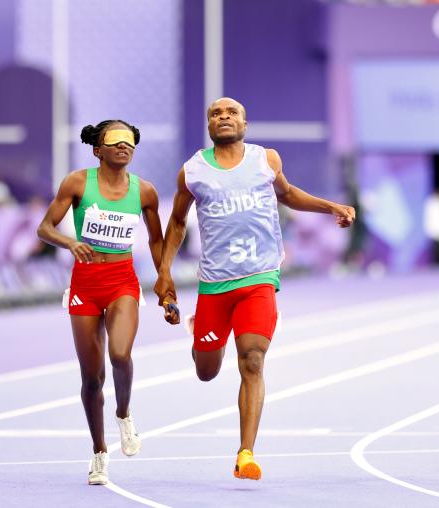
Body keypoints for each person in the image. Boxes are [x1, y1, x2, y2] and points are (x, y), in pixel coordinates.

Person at [154, 98, 355, 481]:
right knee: (206, 371)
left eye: (231, 113)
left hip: (258, 278)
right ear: (209, 125)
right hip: (214, 284)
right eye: (215, 113)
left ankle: (246, 453)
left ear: (245, 123)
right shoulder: (192, 171)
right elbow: (177, 222)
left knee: (253, 360)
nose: (223, 117)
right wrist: (164, 271)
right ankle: (200, 334)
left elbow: (288, 194)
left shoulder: (266, 160)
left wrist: (331, 207)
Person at [37, 119, 172, 485]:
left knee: (120, 355)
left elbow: (157, 241)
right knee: (92, 378)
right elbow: (45, 228)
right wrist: (70, 242)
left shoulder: (144, 191)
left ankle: (124, 414)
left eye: (129, 141)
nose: (123, 146)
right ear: (98, 149)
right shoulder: (78, 183)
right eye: (114, 140)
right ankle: (99, 452)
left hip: (121, 282)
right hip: (84, 283)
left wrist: (165, 283)